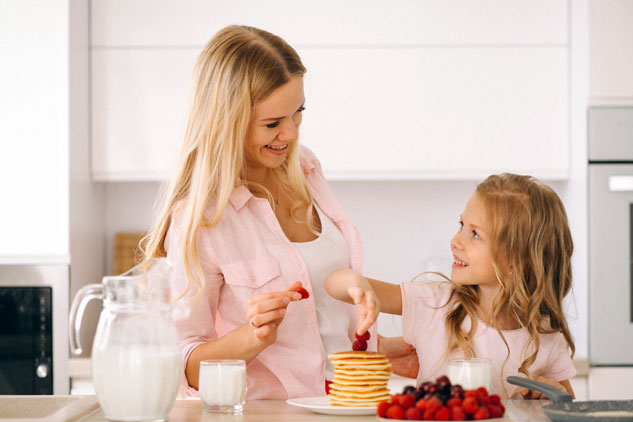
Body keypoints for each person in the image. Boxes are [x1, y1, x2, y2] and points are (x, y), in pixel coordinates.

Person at [141, 25, 412, 400]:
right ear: (227, 121)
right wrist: (251, 337)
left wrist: (384, 350)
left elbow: (318, 321)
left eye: (298, 113)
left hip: (341, 409)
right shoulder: (202, 219)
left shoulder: (307, 169)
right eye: (272, 124)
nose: (291, 134)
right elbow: (181, 364)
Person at [325, 173, 577, 399]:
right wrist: (356, 283)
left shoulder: (545, 334)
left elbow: (567, 407)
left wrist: (550, 393)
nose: (455, 241)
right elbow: (334, 283)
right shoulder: (435, 302)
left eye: (475, 234)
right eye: (461, 226)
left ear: (517, 261)